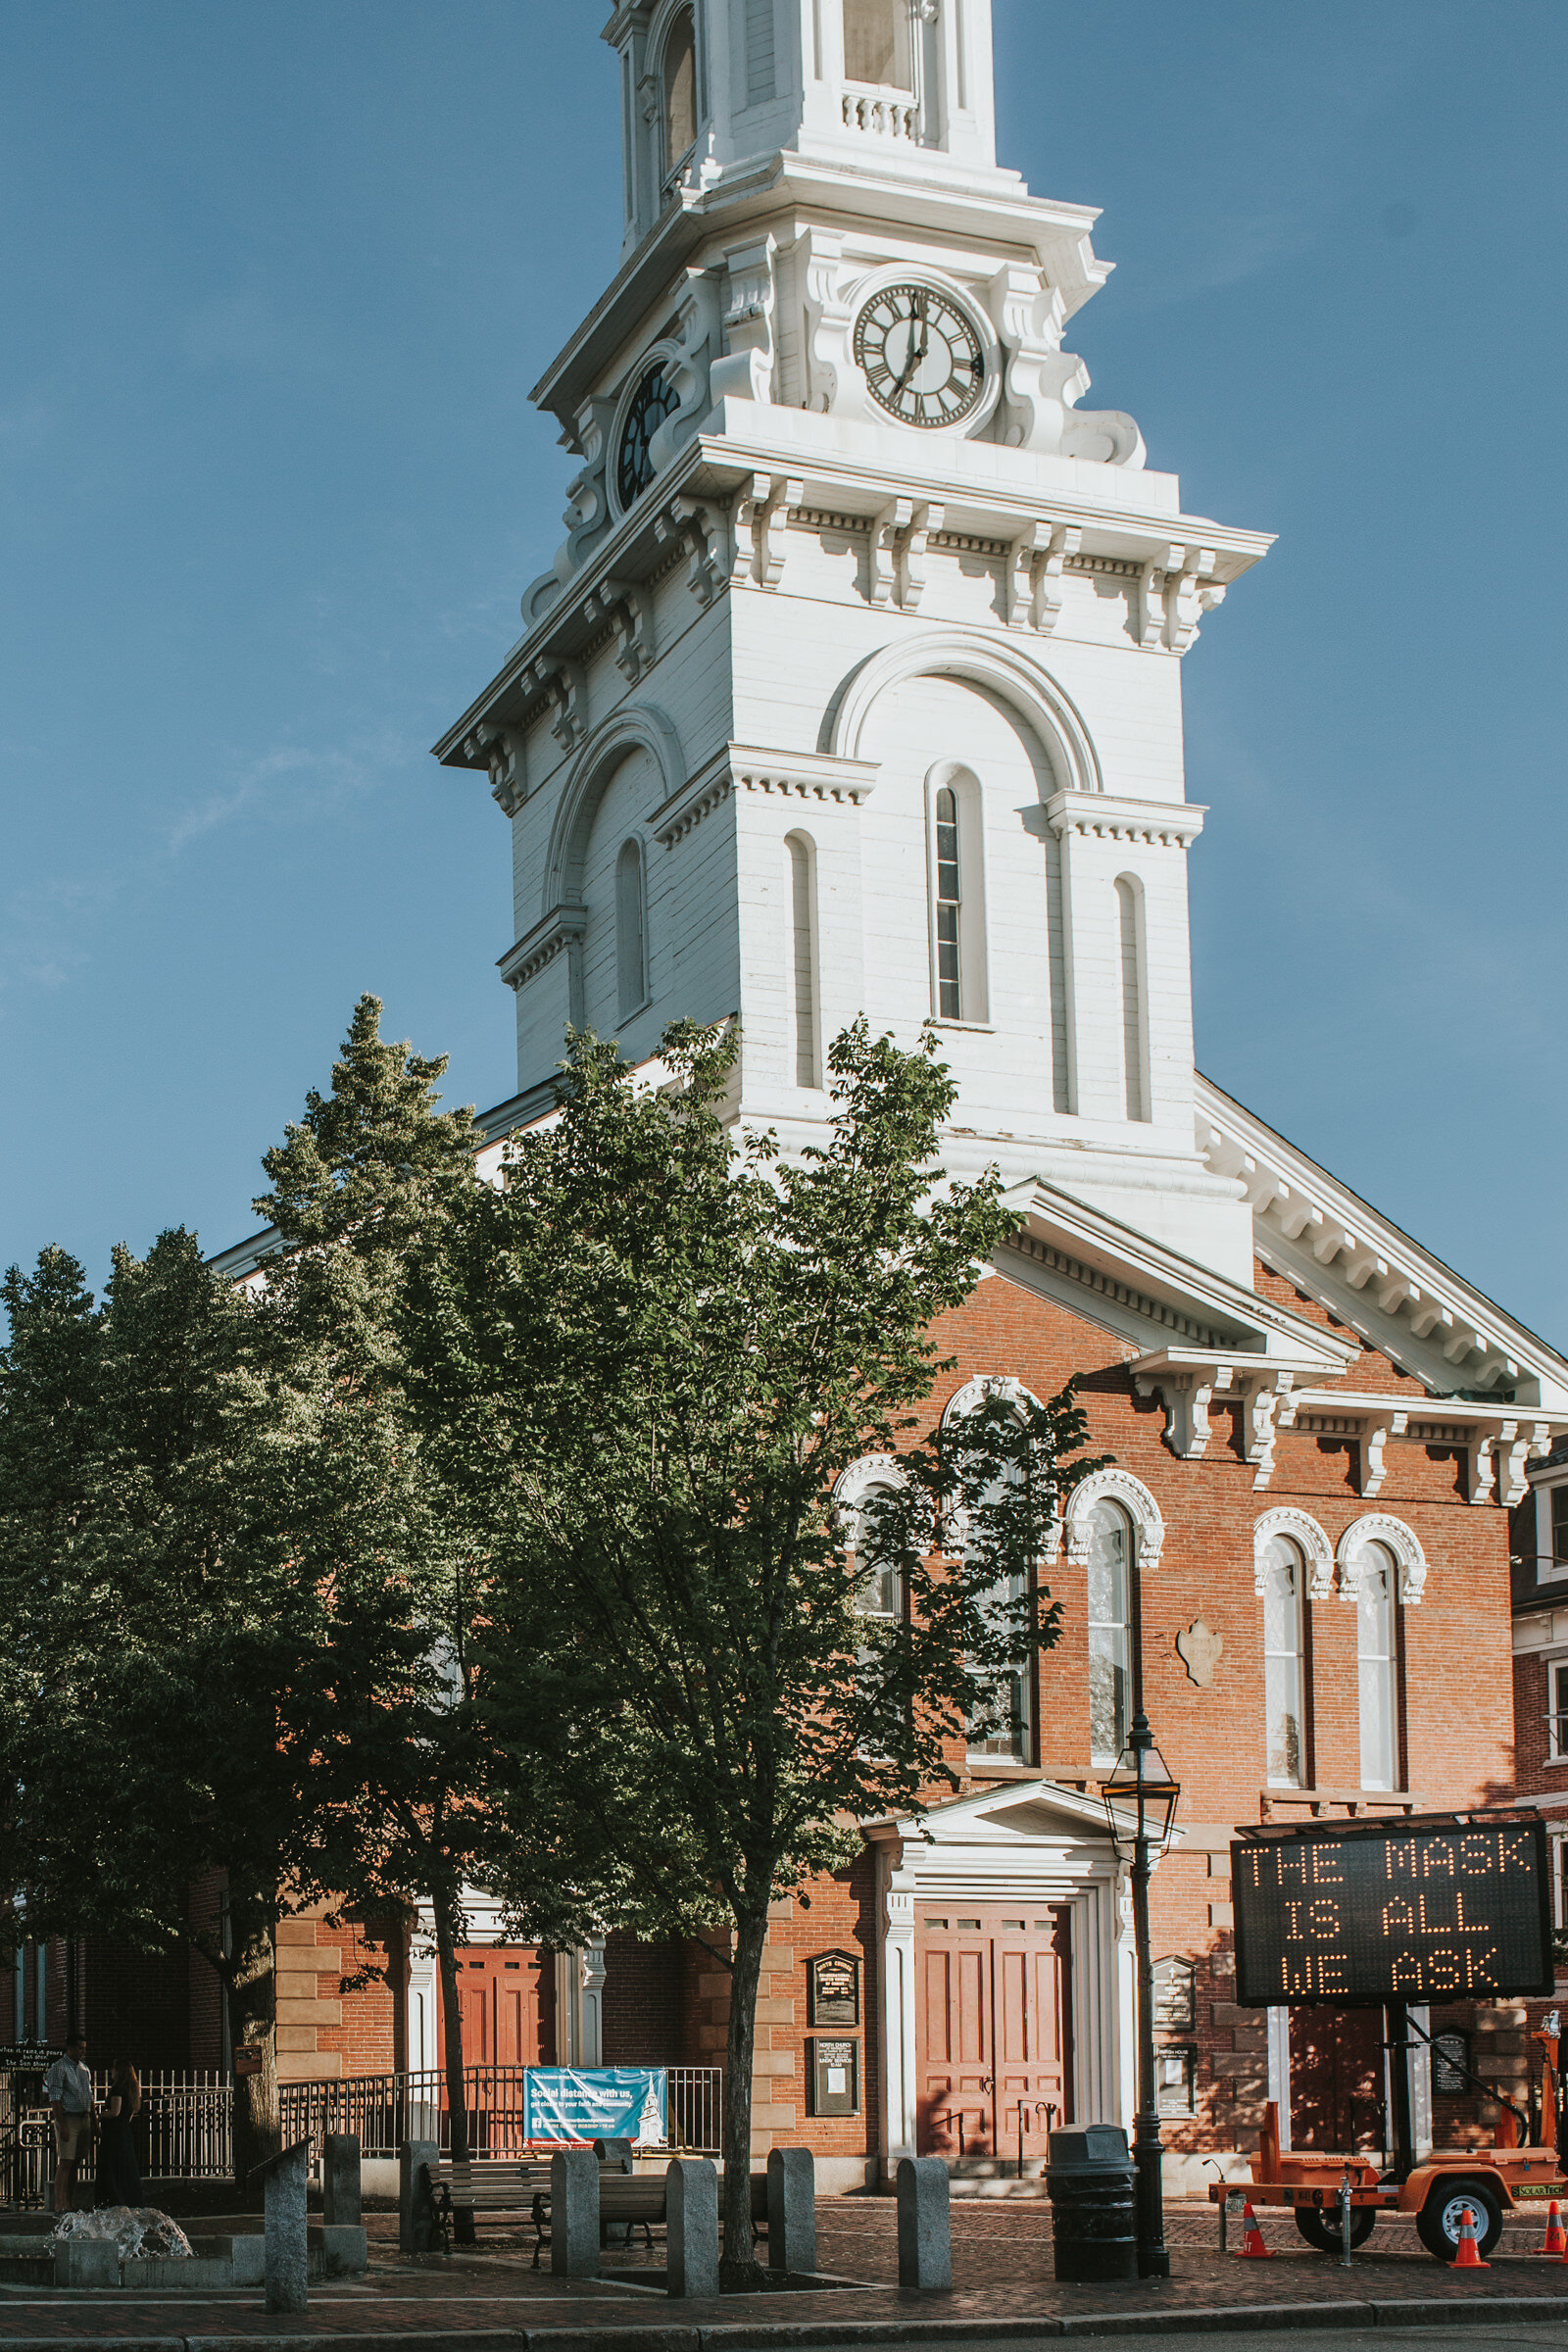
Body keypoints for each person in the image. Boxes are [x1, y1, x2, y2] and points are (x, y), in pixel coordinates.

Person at [43, 2033, 95, 2214]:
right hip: (69, 2118)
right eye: (80, 2048)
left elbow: (90, 2096)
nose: (82, 2052)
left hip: (84, 2117)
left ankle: (70, 2202)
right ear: (70, 2048)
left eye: (84, 2048)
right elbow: (55, 2098)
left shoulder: (84, 2069)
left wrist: (94, 2122)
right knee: (66, 2161)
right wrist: (62, 2124)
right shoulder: (58, 2068)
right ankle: (59, 2203)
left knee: (77, 2162)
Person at [96, 2061, 142, 2208]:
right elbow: (128, 2115)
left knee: (111, 2166)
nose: (111, 2071)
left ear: (119, 2071)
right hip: (124, 2132)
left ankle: (113, 2198)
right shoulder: (131, 2091)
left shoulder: (117, 2089)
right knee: (126, 2165)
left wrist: (101, 2115)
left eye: (114, 2068)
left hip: (113, 2134)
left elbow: (115, 2111)